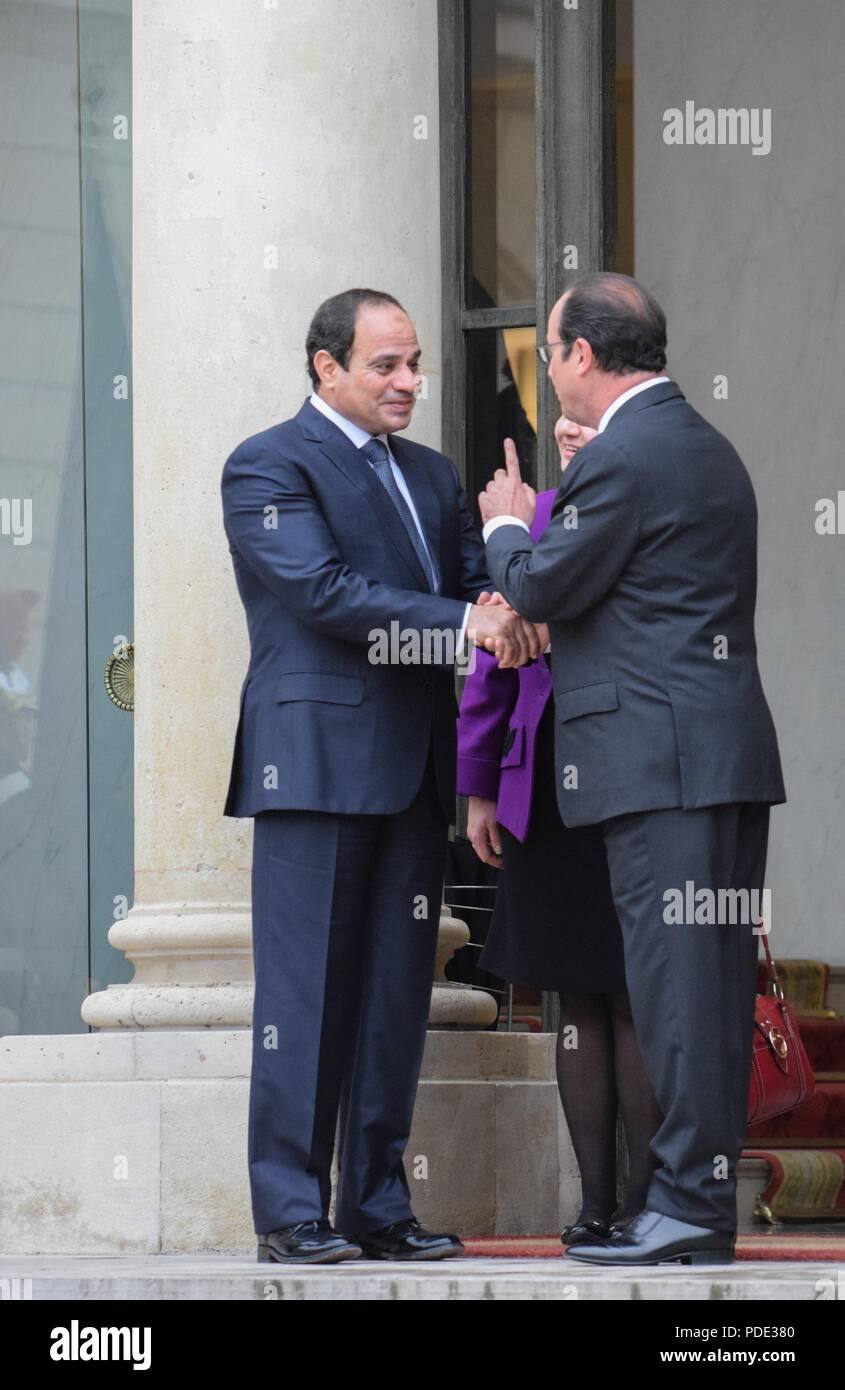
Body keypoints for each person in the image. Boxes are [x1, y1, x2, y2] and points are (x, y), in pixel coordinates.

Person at [221, 287, 540, 1265]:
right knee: (304, 1001)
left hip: (411, 773)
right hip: (312, 771)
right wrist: (465, 623)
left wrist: (502, 579)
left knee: (394, 998)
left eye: (414, 364)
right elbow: (324, 594)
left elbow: (460, 591)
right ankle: (288, 1213)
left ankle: (373, 1203)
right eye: (385, 366)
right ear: (325, 366)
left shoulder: (433, 474)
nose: (408, 382)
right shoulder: (267, 463)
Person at [479, 271, 786, 1266]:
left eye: (552, 351)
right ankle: (694, 1205)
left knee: (673, 990)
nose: (549, 372)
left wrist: (505, 521)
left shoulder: (624, 459)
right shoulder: (697, 444)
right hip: (711, 757)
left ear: (578, 356)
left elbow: (538, 578)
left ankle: (685, 1208)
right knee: (703, 986)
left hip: (662, 767)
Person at [457, 414, 663, 1247]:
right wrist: (478, 790)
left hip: (633, 777)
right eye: (565, 426)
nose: (576, 435)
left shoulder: (645, 503)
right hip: (543, 783)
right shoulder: (534, 522)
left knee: (633, 995)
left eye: (591, 424)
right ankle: (594, 1207)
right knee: (573, 996)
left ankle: (650, 1205)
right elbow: (490, 665)